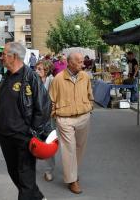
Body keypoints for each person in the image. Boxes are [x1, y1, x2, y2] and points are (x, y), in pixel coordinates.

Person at [0, 42, 51, 200]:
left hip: (23, 137)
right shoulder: (6, 77)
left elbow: (44, 106)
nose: (1, 57)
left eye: (4, 54)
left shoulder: (30, 77)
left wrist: (33, 133)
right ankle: (38, 197)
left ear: (14, 56)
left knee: (25, 177)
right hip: (5, 135)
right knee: (14, 173)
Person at [49, 52, 93, 194]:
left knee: (80, 147)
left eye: (82, 61)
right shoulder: (58, 79)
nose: (83, 64)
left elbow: (90, 94)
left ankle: (73, 172)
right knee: (69, 148)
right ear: (70, 63)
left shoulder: (85, 76)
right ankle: (72, 180)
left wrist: (89, 108)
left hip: (83, 117)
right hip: (65, 119)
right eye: (79, 62)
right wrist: (54, 115)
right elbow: (51, 100)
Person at [35, 59, 56, 182]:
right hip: (35, 118)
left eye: (39, 69)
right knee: (33, 143)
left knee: (49, 143)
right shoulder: (32, 81)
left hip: (49, 118)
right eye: (36, 68)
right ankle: (30, 167)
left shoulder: (52, 81)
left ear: (46, 71)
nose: (36, 71)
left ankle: (49, 170)